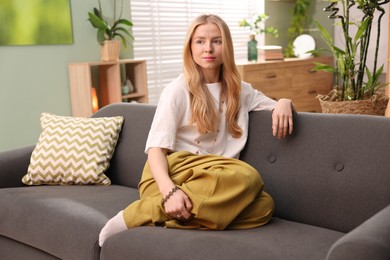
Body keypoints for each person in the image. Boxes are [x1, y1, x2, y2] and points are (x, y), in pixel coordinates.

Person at [99, 14, 294, 246]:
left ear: (226, 46)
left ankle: (169, 218)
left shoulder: (240, 91)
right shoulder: (177, 90)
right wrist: (170, 192)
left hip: (217, 180)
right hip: (171, 175)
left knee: (264, 207)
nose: (208, 48)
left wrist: (284, 102)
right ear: (190, 47)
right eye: (200, 41)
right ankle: (140, 213)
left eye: (217, 41)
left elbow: (274, 106)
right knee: (248, 177)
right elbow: (155, 151)